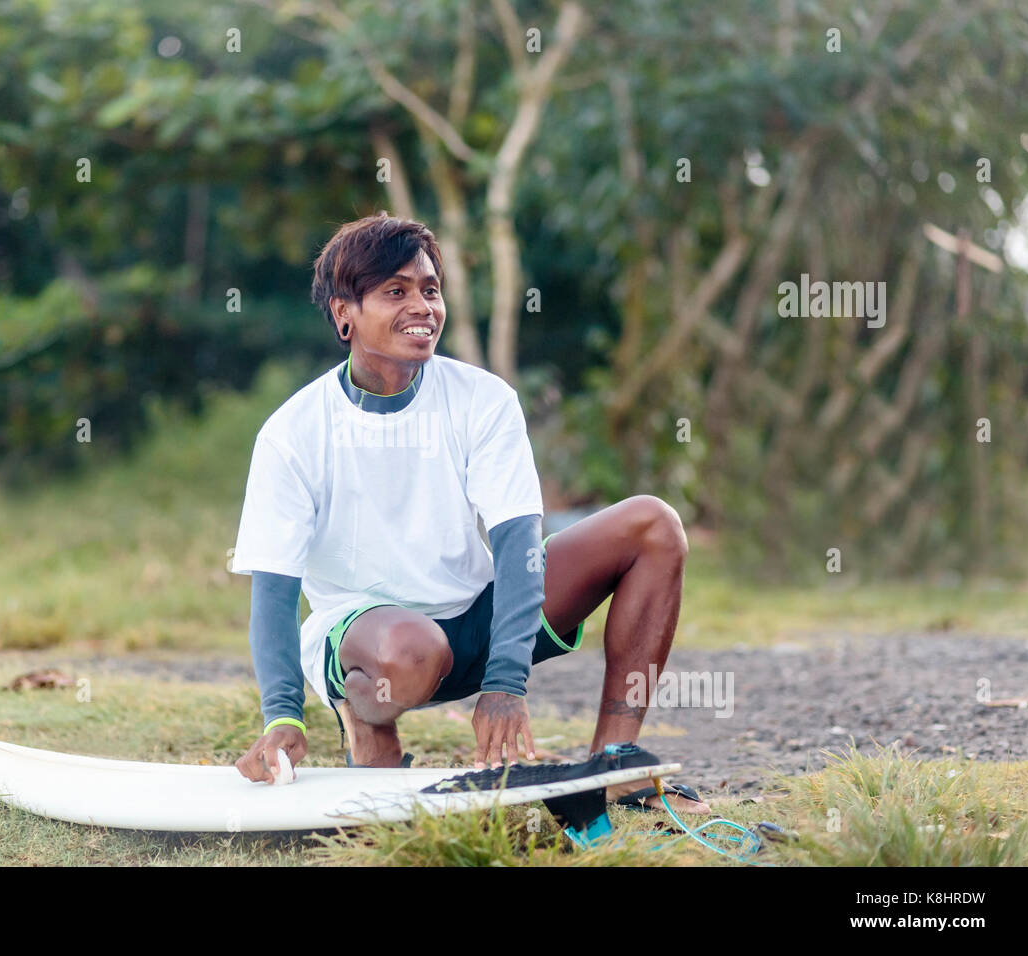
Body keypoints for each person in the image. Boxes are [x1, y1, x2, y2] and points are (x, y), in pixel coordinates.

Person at [230, 212, 709, 813]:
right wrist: (282, 715)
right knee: (411, 648)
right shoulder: (293, 433)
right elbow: (274, 591)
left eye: (430, 289)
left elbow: (518, 543)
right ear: (343, 314)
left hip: (475, 620)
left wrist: (505, 681)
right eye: (395, 292)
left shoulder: (483, 399)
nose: (422, 306)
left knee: (653, 523)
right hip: (374, 644)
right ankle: (366, 722)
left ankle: (616, 766)